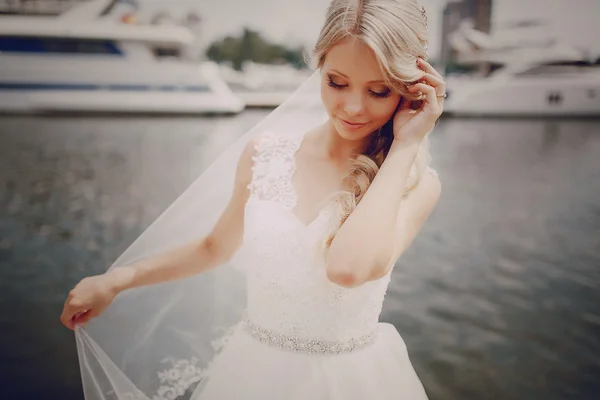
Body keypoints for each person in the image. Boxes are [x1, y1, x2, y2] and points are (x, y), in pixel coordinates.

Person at [61, 0, 444, 399]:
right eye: (336, 82)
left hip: (349, 384)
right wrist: (118, 280)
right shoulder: (266, 155)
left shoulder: (415, 183)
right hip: (250, 373)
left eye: (379, 91)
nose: (352, 107)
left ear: (410, 88)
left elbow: (348, 269)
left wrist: (405, 146)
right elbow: (214, 247)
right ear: (319, 67)